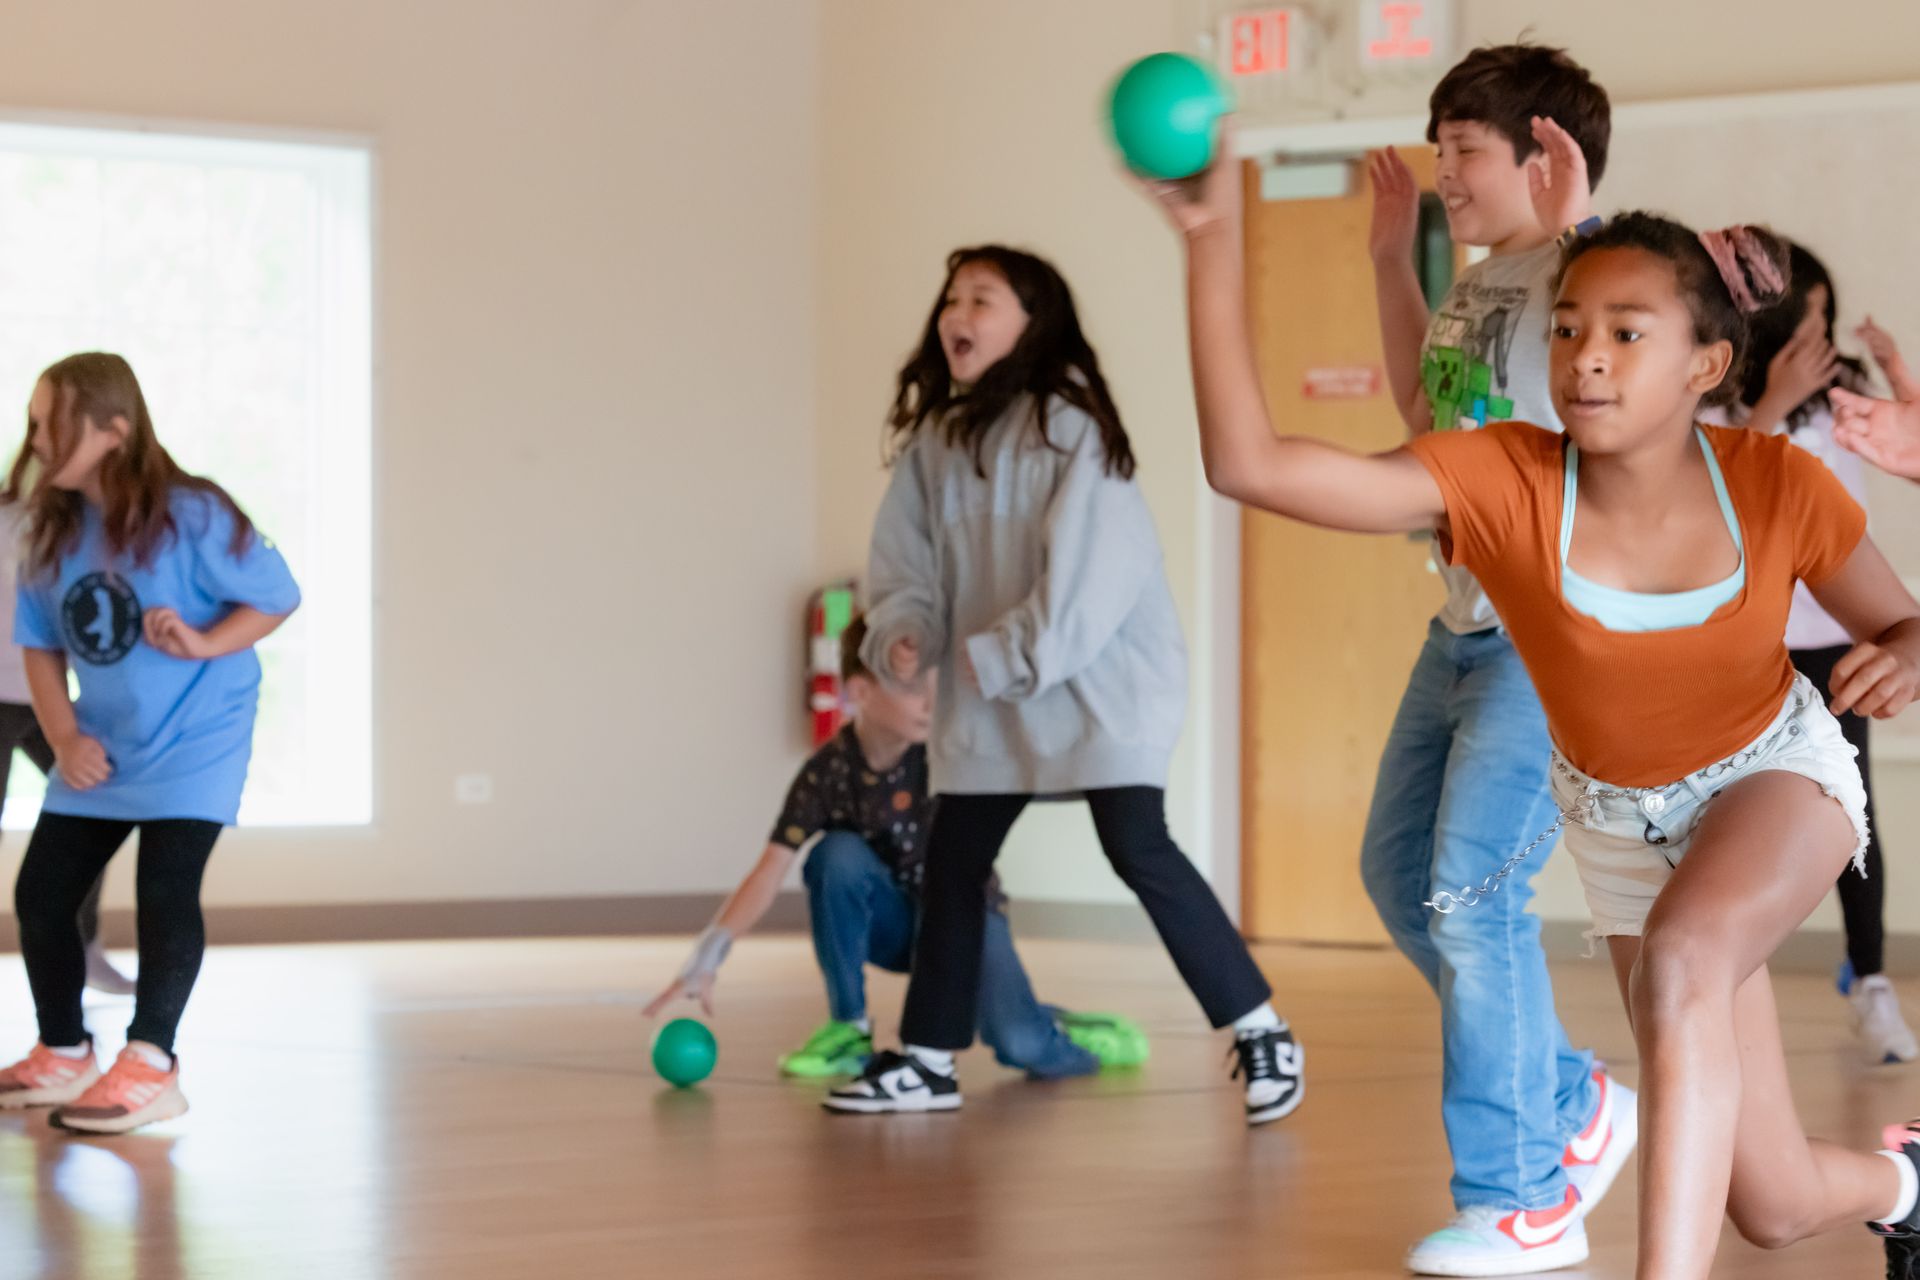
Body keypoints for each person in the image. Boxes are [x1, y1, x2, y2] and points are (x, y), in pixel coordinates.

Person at [1154, 138, 1920, 1276]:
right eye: (1567, 328)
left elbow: (1898, 621)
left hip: (1772, 775)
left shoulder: (1775, 484)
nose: (1586, 358)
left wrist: (1910, 654)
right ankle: (1909, 1185)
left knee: (1680, 964)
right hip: (1620, 826)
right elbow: (1252, 466)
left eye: (1626, 332)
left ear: (1709, 363)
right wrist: (1213, 237)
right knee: (1769, 1198)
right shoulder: (1501, 477)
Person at [824, 246, 1300, 1123]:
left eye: (983, 298)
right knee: (956, 857)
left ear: (1031, 324)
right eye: (951, 298)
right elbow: (906, 563)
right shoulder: (937, 441)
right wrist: (904, 635)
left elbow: (1092, 579)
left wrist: (1009, 655)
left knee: (1137, 845)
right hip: (991, 698)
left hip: (1099, 686)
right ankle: (928, 1060)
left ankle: (1261, 1029)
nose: (956, 313)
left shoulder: (1071, 424)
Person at [1362, 44, 1632, 1274]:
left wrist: (1578, 223)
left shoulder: (1592, 267)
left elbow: (1617, 359)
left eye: (1464, 150)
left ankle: (1525, 1195)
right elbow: (1430, 427)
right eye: (1440, 149)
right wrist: (1387, 261)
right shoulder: (1480, 283)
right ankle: (1573, 1101)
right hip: (1463, 624)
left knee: (1473, 895)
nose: (1444, 173)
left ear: (1543, 154)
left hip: (1546, 634)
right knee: (1394, 874)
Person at [0, 352, 300, 1135]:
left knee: (167, 890)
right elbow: (37, 643)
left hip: (201, 735)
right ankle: (63, 1051)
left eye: (48, 423)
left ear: (113, 430)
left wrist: (203, 643)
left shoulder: (193, 514)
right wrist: (62, 735)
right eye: (33, 424)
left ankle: (152, 1062)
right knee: (41, 895)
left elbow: (276, 598)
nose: (33, 440)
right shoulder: (56, 528)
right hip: (103, 739)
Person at [644, 615, 1148, 1080]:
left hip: (966, 920)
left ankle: (1068, 1031)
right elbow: (770, 868)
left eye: (933, 682)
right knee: (834, 855)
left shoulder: (947, 752)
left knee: (1020, 1044)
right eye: (910, 688)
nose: (930, 700)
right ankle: (849, 1029)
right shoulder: (827, 773)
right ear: (860, 691)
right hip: (897, 928)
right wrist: (707, 955)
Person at [1709, 243, 1917, 1064]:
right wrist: (1774, 406)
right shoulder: (1719, 410)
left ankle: (1870, 981)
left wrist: (1900, 381)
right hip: (1752, 648)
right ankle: (1729, 977)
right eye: (1815, 319)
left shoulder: (1840, 404)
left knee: (1852, 810)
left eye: (1832, 320)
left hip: (1840, 645)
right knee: (1742, 817)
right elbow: (1720, 494)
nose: (1827, 336)